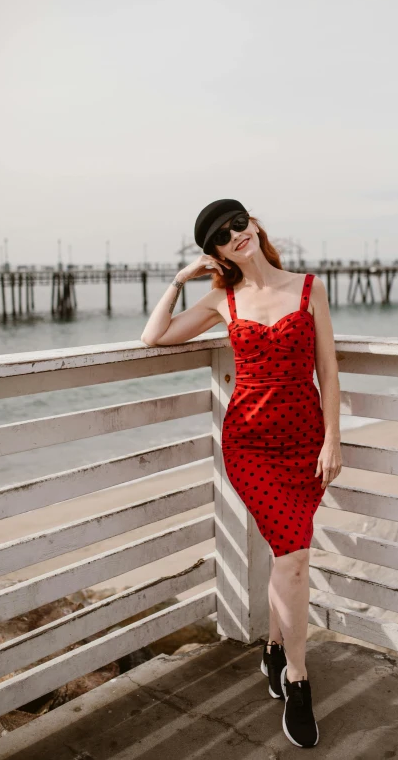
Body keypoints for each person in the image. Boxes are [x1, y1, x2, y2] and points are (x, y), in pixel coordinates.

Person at [140, 199, 342, 748]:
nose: (235, 235)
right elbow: (153, 337)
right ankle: (297, 679)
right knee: (295, 557)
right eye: (221, 236)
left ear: (254, 224)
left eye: (238, 222)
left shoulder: (308, 287)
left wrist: (333, 439)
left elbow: (328, 368)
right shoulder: (221, 297)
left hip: (305, 442)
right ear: (215, 252)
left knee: (287, 555)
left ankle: (276, 649)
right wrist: (180, 280)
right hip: (249, 445)